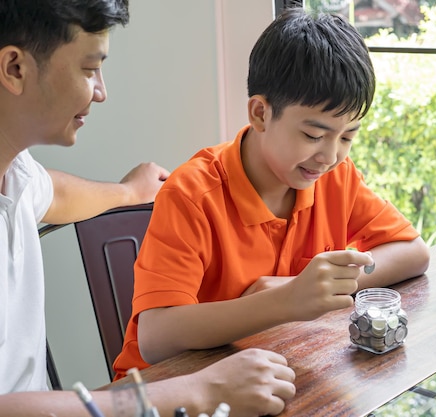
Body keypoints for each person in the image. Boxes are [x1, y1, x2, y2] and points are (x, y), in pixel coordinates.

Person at [0, 1, 296, 416]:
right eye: (89, 69)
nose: (101, 92)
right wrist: (197, 391)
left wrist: (127, 192)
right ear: (15, 68)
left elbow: (51, 192)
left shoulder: (16, 172)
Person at [113, 7, 430, 378]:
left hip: (274, 371)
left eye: (347, 136)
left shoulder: (335, 177)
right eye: (313, 135)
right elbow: (156, 338)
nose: (330, 156)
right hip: (168, 390)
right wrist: (284, 301)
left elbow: (413, 252)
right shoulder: (192, 195)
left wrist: (319, 287)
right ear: (261, 113)